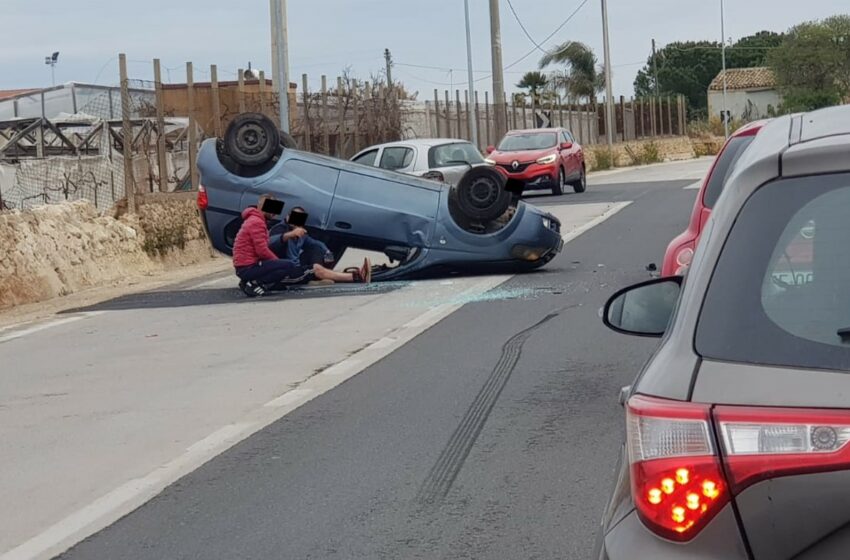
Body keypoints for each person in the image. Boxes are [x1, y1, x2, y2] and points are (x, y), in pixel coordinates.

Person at [232, 195, 371, 297]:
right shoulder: (274, 228)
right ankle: (355, 276)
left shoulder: (299, 232)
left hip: (279, 265)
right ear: (287, 217)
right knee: (311, 269)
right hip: (272, 268)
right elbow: (268, 245)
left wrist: (327, 251)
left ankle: (319, 276)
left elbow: (315, 243)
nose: (274, 214)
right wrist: (288, 237)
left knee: (312, 253)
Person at [269, 207, 336, 268]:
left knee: (316, 249)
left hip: (296, 264)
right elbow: (270, 242)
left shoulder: (301, 233)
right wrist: (290, 234)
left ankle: (316, 275)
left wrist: (328, 253)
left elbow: (316, 243)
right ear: (287, 217)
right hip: (281, 263)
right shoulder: (279, 228)